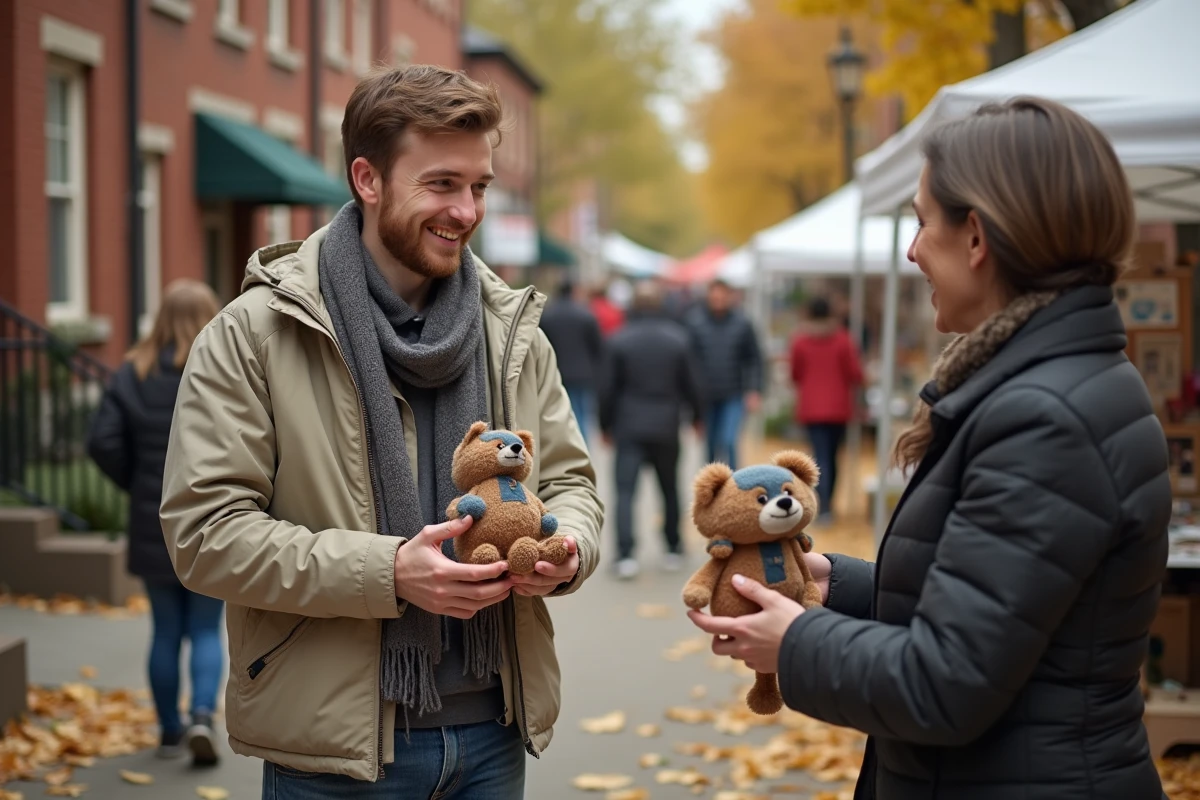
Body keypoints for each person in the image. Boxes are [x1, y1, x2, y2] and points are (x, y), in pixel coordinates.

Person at [688, 97, 1170, 799]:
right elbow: (992, 608)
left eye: (921, 223)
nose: (912, 251)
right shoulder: (1053, 387)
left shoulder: (1043, 417)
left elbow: (947, 684)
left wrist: (794, 642)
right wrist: (837, 585)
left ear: (976, 237)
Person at [160, 65, 602, 798]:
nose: (466, 211)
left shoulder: (513, 328)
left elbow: (571, 484)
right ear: (367, 179)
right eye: (441, 184)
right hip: (333, 756)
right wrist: (389, 573)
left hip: (494, 735)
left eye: (480, 187)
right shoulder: (255, 333)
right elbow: (206, 535)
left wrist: (569, 548)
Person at [86, 280, 224, 767]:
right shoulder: (220, 369)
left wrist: (138, 484)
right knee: (207, 630)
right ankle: (203, 716)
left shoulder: (132, 372)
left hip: (152, 520)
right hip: (212, 520)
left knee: (165, 630)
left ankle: (169, 731)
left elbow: (101, 441)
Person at [599, 281, 704, 580]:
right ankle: (672, 547)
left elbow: (607, 388)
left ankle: (626, 554)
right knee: (669, 488)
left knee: (625, 491)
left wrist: (604, 425)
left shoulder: (618, 340)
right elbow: (692, 384)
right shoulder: (678, 339)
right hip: (667, 423)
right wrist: (697, 416)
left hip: (628, 424)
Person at [789, 296, 863, 524]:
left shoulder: (800, 341)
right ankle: (827, 505)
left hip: (811, 406)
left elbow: (794, 373)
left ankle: (822, 506)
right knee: (831, 456)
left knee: (818, 456)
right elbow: (855, 373)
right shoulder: (843, 339)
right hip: (838, 406)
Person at [686, 278, 763, 470]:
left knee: (729, 440)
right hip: (707, 395)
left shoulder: (743, 323)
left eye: (722, 297)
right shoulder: (695, 323)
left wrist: (754, 389)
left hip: (733, 393)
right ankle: (712, 488)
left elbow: (754, 359)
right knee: (710, 446)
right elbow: (689, 362)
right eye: (714, 297)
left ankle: (736, 486)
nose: (718, 301)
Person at [539, 279, 604, 444]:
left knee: (560, 414)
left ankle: (565, 446)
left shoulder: (548, 315)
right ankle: (582, 447)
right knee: (582, 415)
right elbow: (597, 347)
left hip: (557, 372)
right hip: (584, 373)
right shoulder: (586, 315)